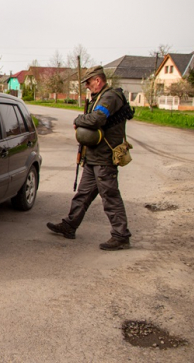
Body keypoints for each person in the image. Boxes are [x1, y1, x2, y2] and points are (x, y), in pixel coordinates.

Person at [47, 65, 132, 251]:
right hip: (94, 157)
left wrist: (78, 120)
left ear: (98, 80)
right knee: (83, 195)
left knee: (110, 197)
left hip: (104, 158)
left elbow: (97, 119)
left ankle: (121, 236)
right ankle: (69, 226)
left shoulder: (110, 97)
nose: (87, 86)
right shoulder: (99, 97)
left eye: (88, 82)